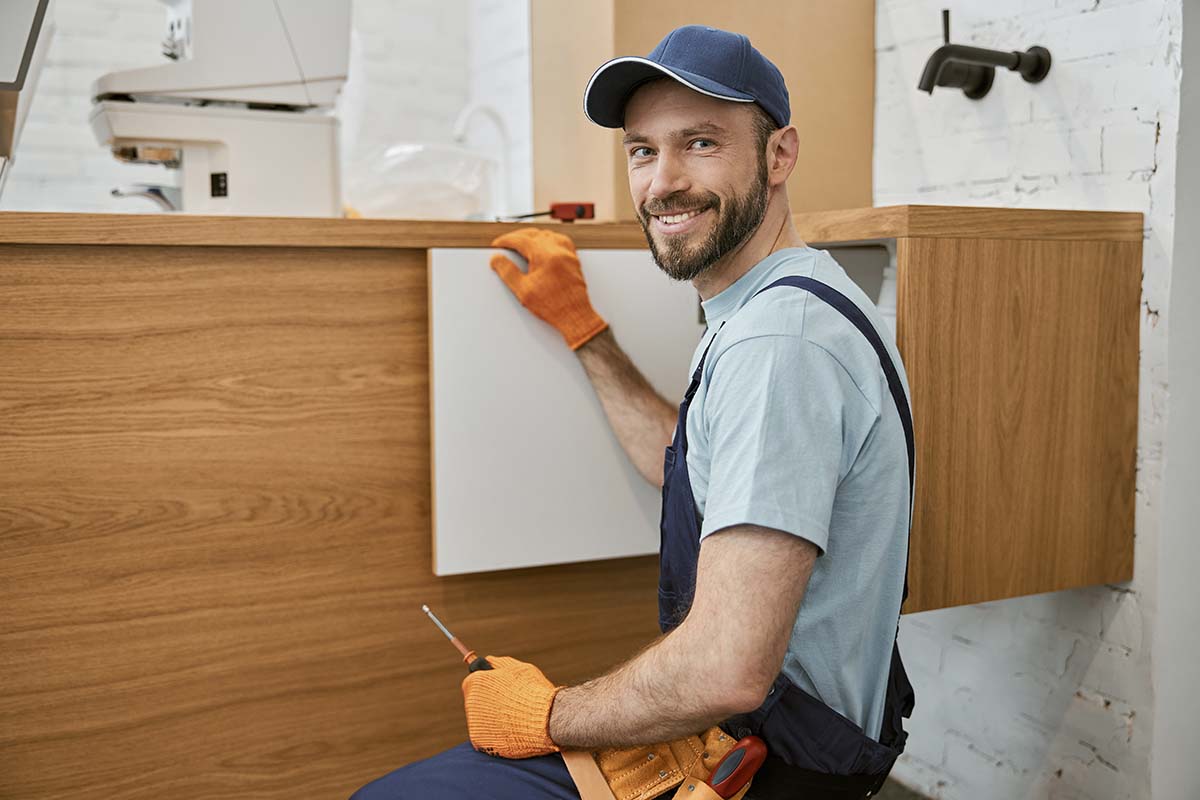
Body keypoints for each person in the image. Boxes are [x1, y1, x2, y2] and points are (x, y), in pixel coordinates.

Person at [351, 24, 914, 800]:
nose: (663, 182)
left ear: (779, 155)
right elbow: (687, 464)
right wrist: (584, 332)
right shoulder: (777, 305)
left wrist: (545, 713)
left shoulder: (779, 345)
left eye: (702, 143)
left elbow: (727, 669)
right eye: (643, 151)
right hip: (755, 740)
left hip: (766, 771)